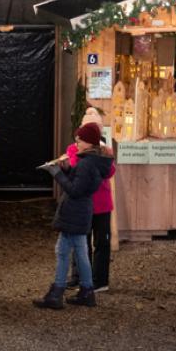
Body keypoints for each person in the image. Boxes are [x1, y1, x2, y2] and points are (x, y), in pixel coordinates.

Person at [34, 122, 113, 309]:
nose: (76, 141)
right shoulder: (94, 161)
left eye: (80, 139)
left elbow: (76, 190)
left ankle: (56, 293)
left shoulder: (86, 163)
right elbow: (82, 184)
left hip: (74, 213)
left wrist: (56, 174)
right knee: (81, 253)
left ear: (90, 142)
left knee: (62, 252)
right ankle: (87, 291)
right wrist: (68, 170)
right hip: (82, 212)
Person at [66, 108, 116, 293]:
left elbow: (110, 172)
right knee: (81, 242)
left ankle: (100, 280)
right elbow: (74, 168)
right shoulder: (74, 149)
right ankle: (79, 276)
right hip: (83, 203)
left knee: (101, 243)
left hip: (102, 204)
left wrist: (105, 156)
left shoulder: (104, 151)